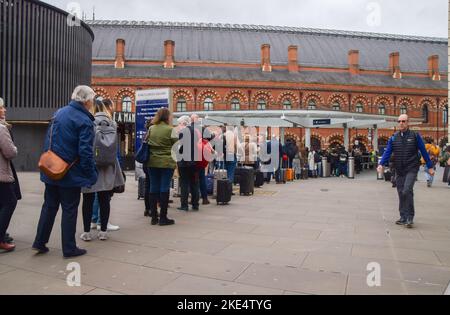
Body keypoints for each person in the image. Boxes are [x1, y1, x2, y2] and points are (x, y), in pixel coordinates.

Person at [33, 86, 98, 258]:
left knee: (49, 206)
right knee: (69, 209)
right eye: (92, 100)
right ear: (86, 101)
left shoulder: (60, 112)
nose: (93, 103)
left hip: (51, 168)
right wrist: (91, 175)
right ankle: (69, 248)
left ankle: (40, 242)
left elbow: (49, 139)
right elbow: (85, 152)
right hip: (69, 173)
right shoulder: (84, 121)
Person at [378, 114, 434, 228]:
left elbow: (423, 151)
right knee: (400, 192)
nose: (401, 123)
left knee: (407, 190)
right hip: (399, 169)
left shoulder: (415, 136)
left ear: (408, 122)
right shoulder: (393, 138)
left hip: (412, 168)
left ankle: (409, 217)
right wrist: (381, 164)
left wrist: (430, 166)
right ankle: (403, 216)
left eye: (403, 121)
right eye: (399, 121)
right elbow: (387, 152)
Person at [80, 99, 124, 242]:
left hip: (91, 166)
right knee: (105, 199)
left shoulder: (88, 122)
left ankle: (87, 232)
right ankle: (103, 231)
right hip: (108, 167)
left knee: (88, 199)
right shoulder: (113, 124)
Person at [147, 108, 178, 225]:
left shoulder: (151, 128)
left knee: (153, 188)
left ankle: (154, 217)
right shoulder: (171, 130)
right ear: (167, 117)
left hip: (152, 162)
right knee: (164, 188)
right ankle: (163, 218)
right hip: (166, 163)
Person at [0, 97, 21, 252]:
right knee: (10, 202)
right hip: (2, 174)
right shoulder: (1, 129)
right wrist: (15, 148)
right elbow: (10, 152)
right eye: (2, 107)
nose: (5, 109)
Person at [176, 115, 200, 211]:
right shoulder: (195, 131)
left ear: (184, 123)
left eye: (179, 124)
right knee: (194, 183)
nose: (179, 126)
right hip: (194, 161)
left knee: (184, 183)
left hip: (184, 162)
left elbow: (180, 147)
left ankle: (184, 205)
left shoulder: (182, 132)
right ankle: (195, 205)